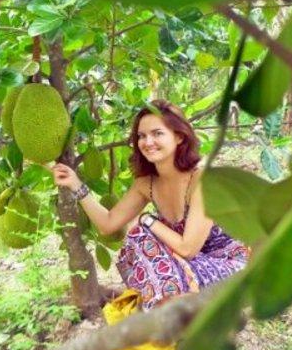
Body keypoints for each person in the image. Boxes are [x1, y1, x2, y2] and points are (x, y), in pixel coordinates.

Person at [52, 99, 249, 311]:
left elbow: (188, 249)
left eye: (157, 133)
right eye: (142, 136)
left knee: (142, 233)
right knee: (138, 240)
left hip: (227, 266)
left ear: (179, 137)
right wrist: (75, 184)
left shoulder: (203, 180)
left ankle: (166, 317)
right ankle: (163, 316)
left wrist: (147, 220)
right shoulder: (147, 184)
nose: (147, 142)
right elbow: (107, 224)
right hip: (185, 269)